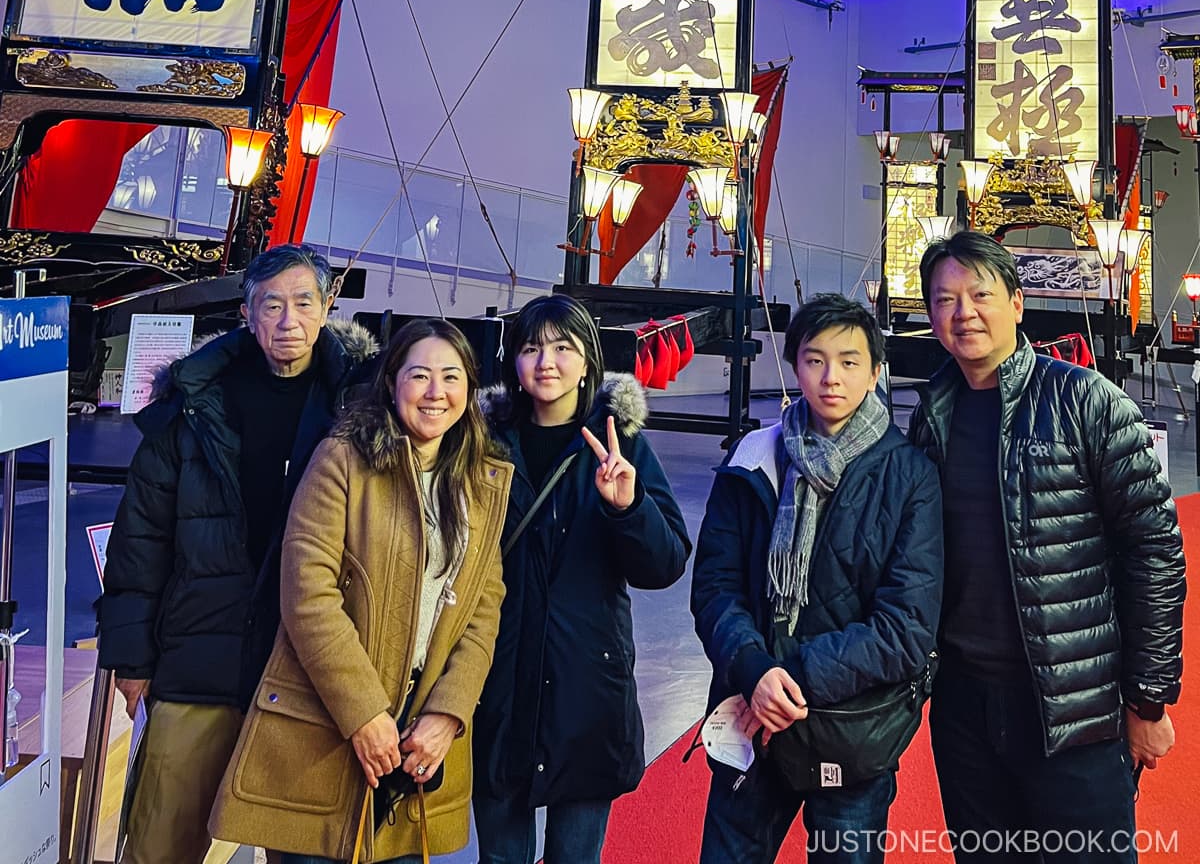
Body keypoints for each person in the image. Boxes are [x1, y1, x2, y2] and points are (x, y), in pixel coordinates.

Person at [909, 230, 1186, 860]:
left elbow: (1155, 554)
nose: (964, 313)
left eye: (980, 294)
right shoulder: (933, 414)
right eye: (945, 300)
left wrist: (1147, 697)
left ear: (1017, 301)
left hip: (1074, 704)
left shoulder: (1086, 401)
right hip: (965, 706)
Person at [98, 243, 377, 864]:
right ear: (247, 315)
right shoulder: (191, 407)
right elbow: (140, 539)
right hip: (198, 655)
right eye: (271, 304)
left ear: (328, 307)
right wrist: (131, 658)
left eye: (304, 302)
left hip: (305, 669)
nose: (288, 320)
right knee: (160, 843)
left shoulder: (360, 409)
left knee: (304, 852)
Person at [210, 317, 513, 863]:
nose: (435, 392)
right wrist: (365, 714)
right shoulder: (344, 461)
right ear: (393, 382)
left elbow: (482, 609)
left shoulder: (480, 483)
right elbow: (308, 594)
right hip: (324, 730)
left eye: (451, 377)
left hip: (416, 740)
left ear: (470, 389)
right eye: (419, 375)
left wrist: (448, 713)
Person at [692, 292, 942, 864]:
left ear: (876, 371)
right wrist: (754, 671)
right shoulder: (755, 456)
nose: (832, 377)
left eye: (850, 361)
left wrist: (790, 677)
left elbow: (906, 627)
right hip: (751, 720)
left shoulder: (909, 476)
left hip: (854, 730)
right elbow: (715, 586)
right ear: (794, 364)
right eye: (815, 359)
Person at [472, 293, 690, 864]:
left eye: (562, 347)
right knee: (500, 853)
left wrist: (628, 505)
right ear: (512, 361)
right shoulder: (481, 444)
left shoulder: (620, 443)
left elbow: (664, 564)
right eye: (531, 348)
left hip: (587, 683)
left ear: (588, 359)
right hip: (497, 676)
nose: (546, 362)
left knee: (577, 854)